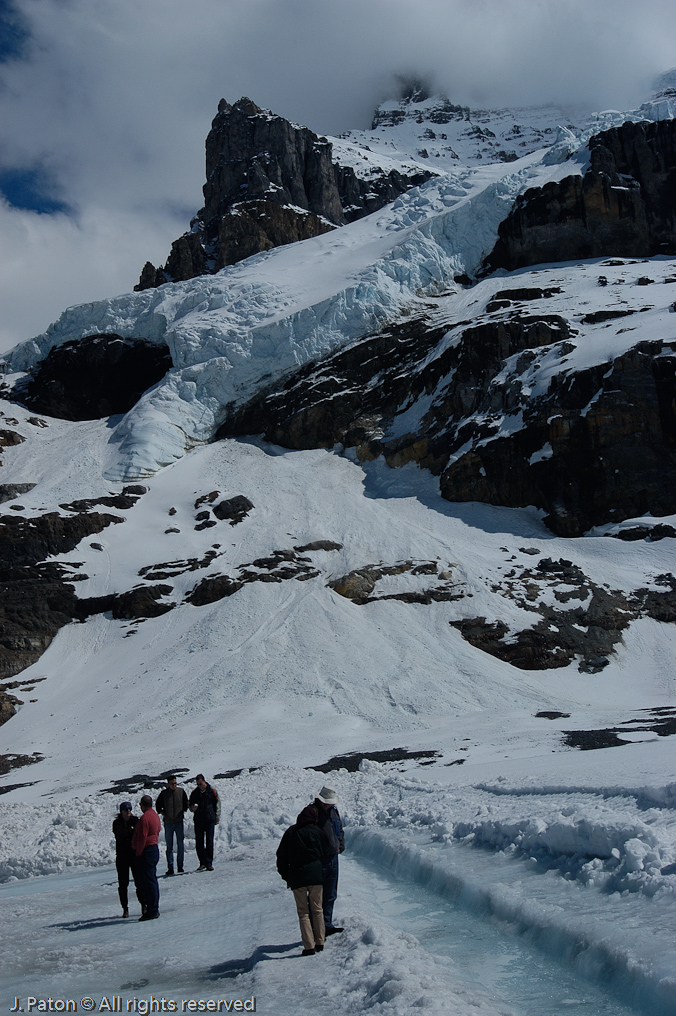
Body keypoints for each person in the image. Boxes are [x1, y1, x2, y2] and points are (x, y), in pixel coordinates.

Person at [276, 805, 328, 956]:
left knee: (303, 912)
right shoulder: (318, 832)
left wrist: (286, 876)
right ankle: (320, 942)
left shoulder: (291, 832)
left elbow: (281, 856)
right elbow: (326, 850)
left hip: (297, 876)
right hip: (315, 876)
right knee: (318, 910)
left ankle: (309, 946)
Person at [313, 785, 344, 934]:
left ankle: (326, 925)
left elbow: (340, 831)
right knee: (317, 896)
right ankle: (316, 929)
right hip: (319, 860)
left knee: (330, 894)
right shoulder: (313, 813)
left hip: (333, 858)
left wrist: (341, 846)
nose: (328, 804)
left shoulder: (334, 812)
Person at [131, 794, 162, 921]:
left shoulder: (145, 818)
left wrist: (138, 852)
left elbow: (142, 837)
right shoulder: (154, 815)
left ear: (142, 805)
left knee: (148, 882)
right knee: (152, 880)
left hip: (146, 851)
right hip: (153, 849)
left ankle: (152, 909)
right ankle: (153, 908)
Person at [112, 802, 143, 918]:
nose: (128, 811)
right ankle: (125, 908)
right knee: (123, 884)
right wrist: (131, 832)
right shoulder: (117, 823)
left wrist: (130, 833)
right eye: (126, 809)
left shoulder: (135, 820)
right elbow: (121, 834)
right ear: (121, 811)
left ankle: (143, 904)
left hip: (134, 855)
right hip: (122, 857)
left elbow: (137, 834)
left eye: (130, 809)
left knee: (139, 882)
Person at [155, 774, 189, 875]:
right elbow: (158, 806)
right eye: (172, 783)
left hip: (179, 822)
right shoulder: (164, 794)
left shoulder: (181, 792)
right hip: (168, 823)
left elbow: (186, 803)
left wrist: (183, 811)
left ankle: (180, 866)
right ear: (168, 784)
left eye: (175, 783)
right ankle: (170, 867)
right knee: (169, 845)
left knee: (180, 844)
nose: (174, 785)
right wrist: (164, 814)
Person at [189, 774, 219, 871]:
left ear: (204, 781)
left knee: (209, 841)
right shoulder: (194, 793)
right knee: (199, 842)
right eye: (197, 784)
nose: (199, 786)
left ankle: (209, 862)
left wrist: (216, 817)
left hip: (209, 819)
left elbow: (217, 804)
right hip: (199, 820)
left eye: (200, 783)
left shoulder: (212, 791)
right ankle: (202, 862)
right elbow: (190, 804)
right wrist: (192, 808)